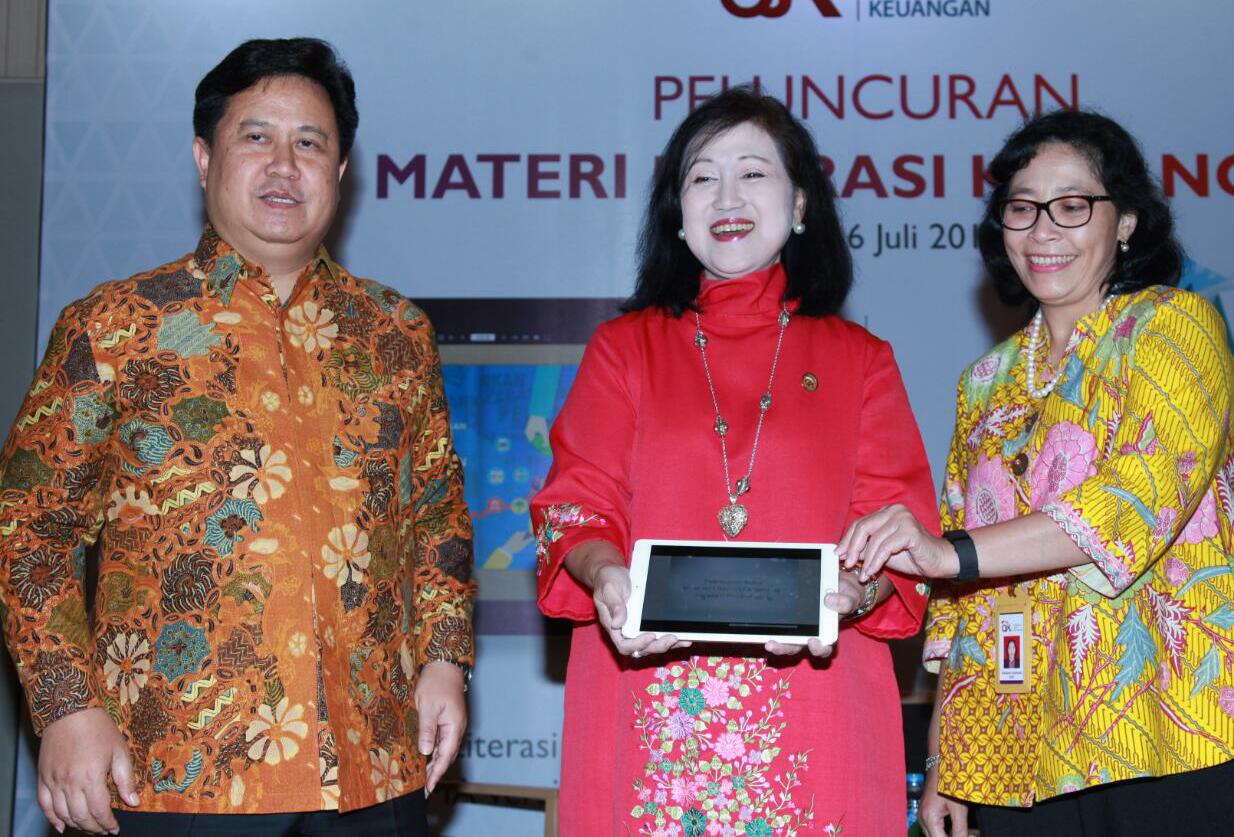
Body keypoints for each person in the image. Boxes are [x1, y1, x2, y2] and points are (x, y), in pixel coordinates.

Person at [0, 38, 475, 836]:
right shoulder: (116, 326)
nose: (284, 165)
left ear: (341, 170)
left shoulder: (397, 333)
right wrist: (66, 705)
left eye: (310, 143)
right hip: (174, 771)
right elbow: (30, 526)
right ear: (204, 158)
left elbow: (436, 516)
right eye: (257, 137)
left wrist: (445, 659)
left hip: (375, 763)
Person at [531, 86, 937, 836]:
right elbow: (575, 505)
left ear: (800, 202)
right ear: (677, 213)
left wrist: (853, 590)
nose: (726, 197)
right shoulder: (623, 349)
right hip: (650, 705)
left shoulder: (862, 360)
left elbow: (899, 533)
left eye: (752, 172)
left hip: (816, 711)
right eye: (701, 177)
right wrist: (606, 573)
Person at [838, 109, 1234, 837]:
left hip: (1166, 724)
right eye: (1022, 208)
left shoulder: (1175, 327)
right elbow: (961, 604)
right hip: (1014, 746)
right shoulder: (984, 382)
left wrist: (949, 552)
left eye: (1072, 205)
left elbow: (1135, 499)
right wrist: (945, 759)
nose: (1043, 230)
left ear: (1126, 221)